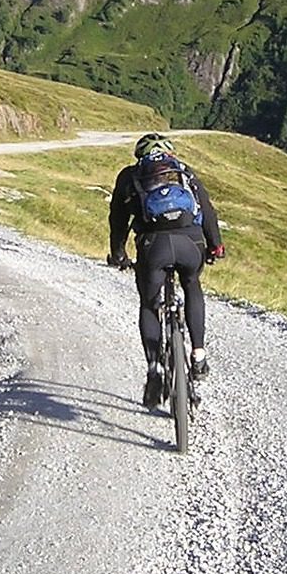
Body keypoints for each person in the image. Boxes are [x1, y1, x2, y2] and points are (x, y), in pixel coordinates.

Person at [106, 132, 226, 407]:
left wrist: (119, 254)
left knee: (149, 304)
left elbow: (118, 219)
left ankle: (155, 369)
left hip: (153, 247)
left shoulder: (130, 176)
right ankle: (198, 354)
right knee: (192, 284)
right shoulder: (183, 171)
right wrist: (215, 246)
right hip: (190, 242)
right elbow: (206, 209)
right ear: (169, 152)